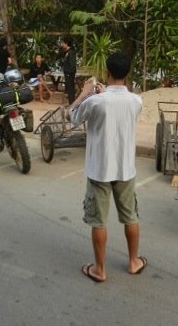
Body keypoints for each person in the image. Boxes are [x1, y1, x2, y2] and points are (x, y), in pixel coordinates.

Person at [69, 52, 145, 283]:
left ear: (108, 72)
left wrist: (84, 93)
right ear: (126, 73)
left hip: (100, 169)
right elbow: (117, 110)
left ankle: (100, 269)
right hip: (125, 169)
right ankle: (134, 261)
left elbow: (72, 117)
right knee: (130, 216)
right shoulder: (136, 100)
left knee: (99, 221)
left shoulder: (95, 101)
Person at [59, 35, 77, 104]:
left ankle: (72, 104)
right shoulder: (67, 51)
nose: (62, 44)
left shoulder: (71, 52)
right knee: (69, 89)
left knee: (70, 89)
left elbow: (73, 64)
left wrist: (70, 73)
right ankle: (71, 103)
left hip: (69, 73)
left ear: (66, 43)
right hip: (68, 73)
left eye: (63, 43)